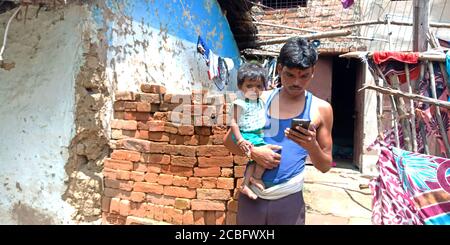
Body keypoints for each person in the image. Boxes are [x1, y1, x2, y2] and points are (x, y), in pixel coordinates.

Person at [223, 37, 334, 225]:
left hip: (289, 200)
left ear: (313, 72)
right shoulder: (260, 100)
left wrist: (312, 145)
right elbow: (228, 141)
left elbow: (325, 166)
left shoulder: (320, 109)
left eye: (304, 75)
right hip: (253, 198)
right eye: (290, 75)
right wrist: (254, 153)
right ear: (280, 68)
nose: (297, 82)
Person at [230, 63, 268, 200]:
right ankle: (256, 178)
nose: (254, 90)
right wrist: (240, 140)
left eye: (259, 86)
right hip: (244, 135)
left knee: (253, 161)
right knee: (266, 154)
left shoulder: (260, 102)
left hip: (255, 135)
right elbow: (233, 122)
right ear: (241, 87)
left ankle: (245, 185)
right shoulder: (240, 102)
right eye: (249, 86)